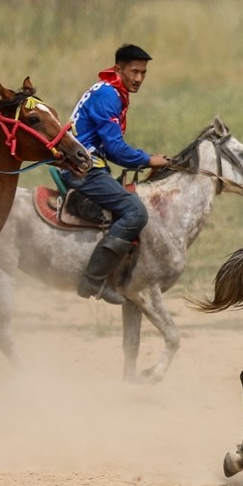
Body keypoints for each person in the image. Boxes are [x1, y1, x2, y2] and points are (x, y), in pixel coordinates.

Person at [62, 44, 169, 304]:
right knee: (136, 211)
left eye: (143, 73)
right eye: (134, 71)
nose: (139, 79)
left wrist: (143, 160)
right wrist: (148, 159)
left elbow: (110, 147)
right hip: (83, 168)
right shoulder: (108, 95)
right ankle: (93, 281)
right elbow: (115, 148)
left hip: (88, 164)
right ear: (118, 69)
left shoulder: (112, 91)